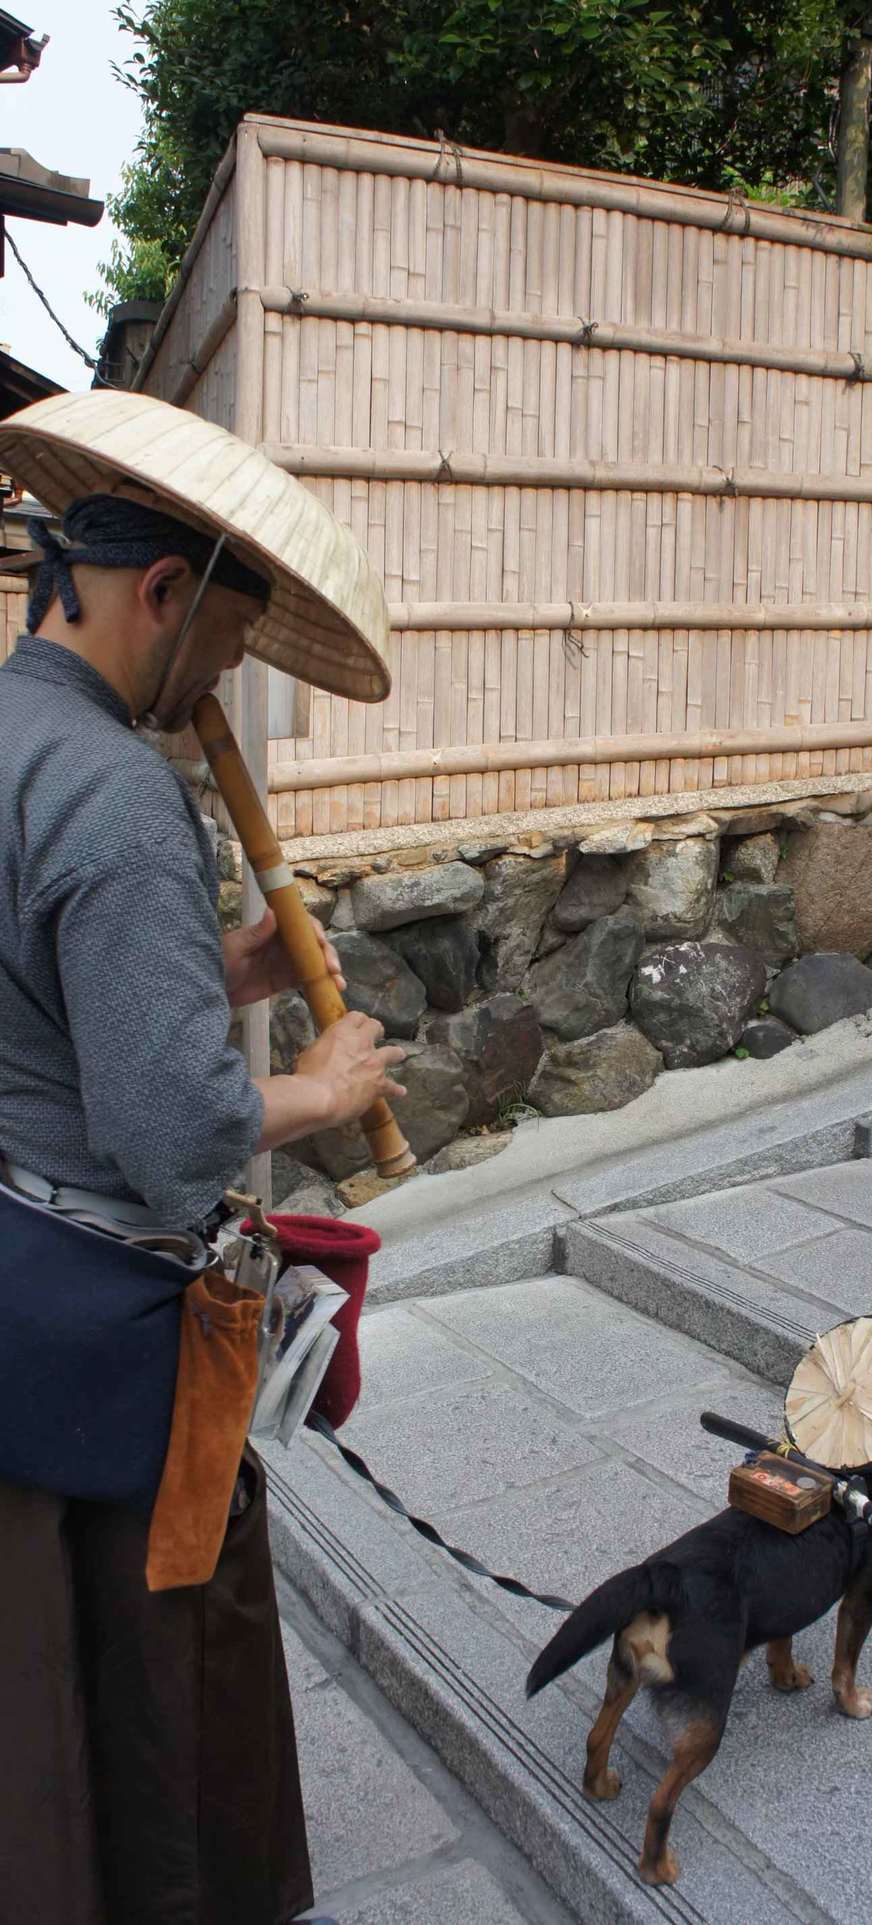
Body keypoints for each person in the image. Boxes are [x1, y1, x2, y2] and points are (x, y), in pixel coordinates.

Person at [0, 392, 406, 1925]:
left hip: (12, 1280)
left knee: (37, 1691)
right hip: (104, 1320)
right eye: (225, 651)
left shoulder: (9, 726)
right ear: (161, 595)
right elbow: (171, 1138)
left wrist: (214, 976)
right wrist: (314, 1084)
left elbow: (50, 997)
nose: (213, 690)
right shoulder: (114, 788)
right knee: (146, 1690)